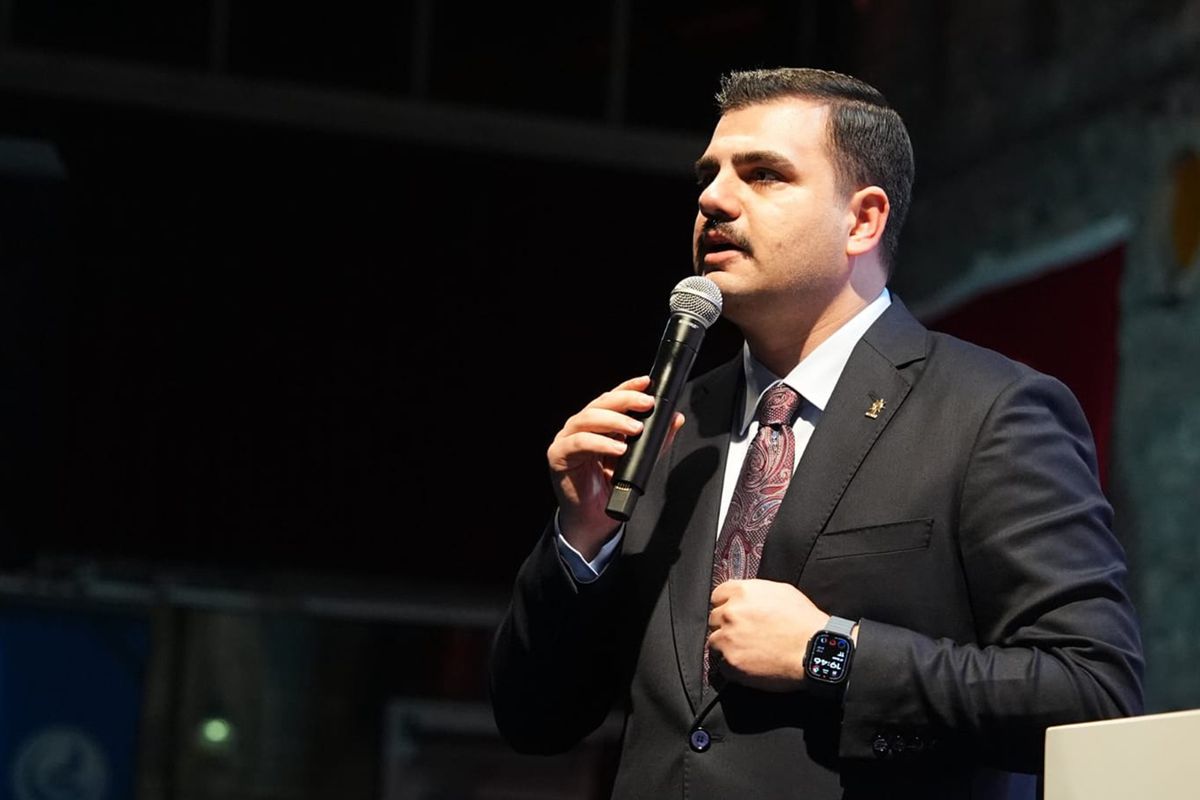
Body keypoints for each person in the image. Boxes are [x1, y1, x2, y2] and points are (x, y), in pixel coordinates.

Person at [488, 67, 1143, 799]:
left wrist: (832, 652)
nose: (712, 200)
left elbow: (1091, 690)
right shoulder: (666, 429)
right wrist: (580, 542)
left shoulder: (990, 411)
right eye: (708, 175)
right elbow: (534, 720)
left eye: (763, 174)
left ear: (862, 220)